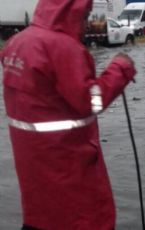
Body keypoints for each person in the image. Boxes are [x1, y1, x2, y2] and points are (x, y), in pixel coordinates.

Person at [0, 0, 136, 229]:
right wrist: (120, 69)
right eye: (85, 16)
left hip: (36, 194)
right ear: (72, 12)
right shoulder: (64, 48)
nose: (86, 24)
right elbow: (92, 101)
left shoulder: (17, 43)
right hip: (74, 192)